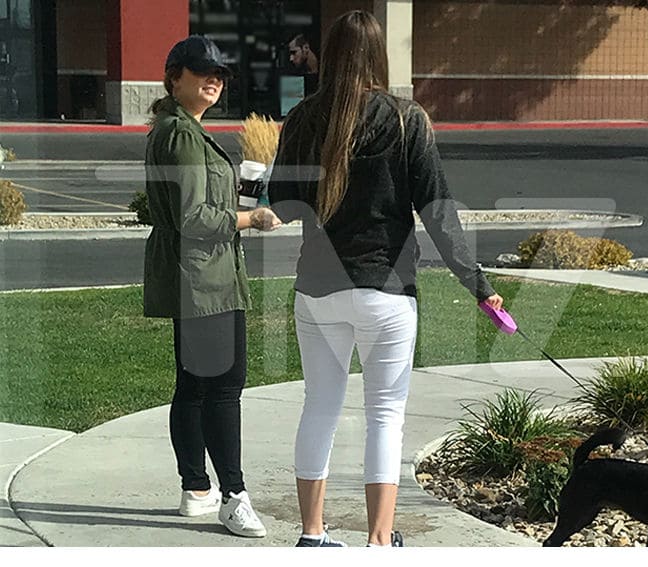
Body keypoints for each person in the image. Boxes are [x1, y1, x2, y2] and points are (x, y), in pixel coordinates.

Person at [268, 11, 503, 547]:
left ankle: (311, 534)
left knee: (319, 407)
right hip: (387, 292)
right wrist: (479, 285)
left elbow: (282, 202)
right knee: (384, 416)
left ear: (329, 56)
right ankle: (379, 541)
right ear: (380, 57)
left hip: (317, 291)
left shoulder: (302, 117)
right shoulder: (405, 120)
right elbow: (438, 211)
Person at [143, 34, 281, 538]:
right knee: (223, 386)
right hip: (204, 279)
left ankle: (197, 488)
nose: (214, 80)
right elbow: (194, 217)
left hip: (199, 276)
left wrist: (242, 192)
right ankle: (233, 496)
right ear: (174, 77)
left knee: (196, 386)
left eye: (219, 73)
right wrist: (252, 218)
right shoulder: (181, 135)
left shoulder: (182, 130)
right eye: (202, 71)